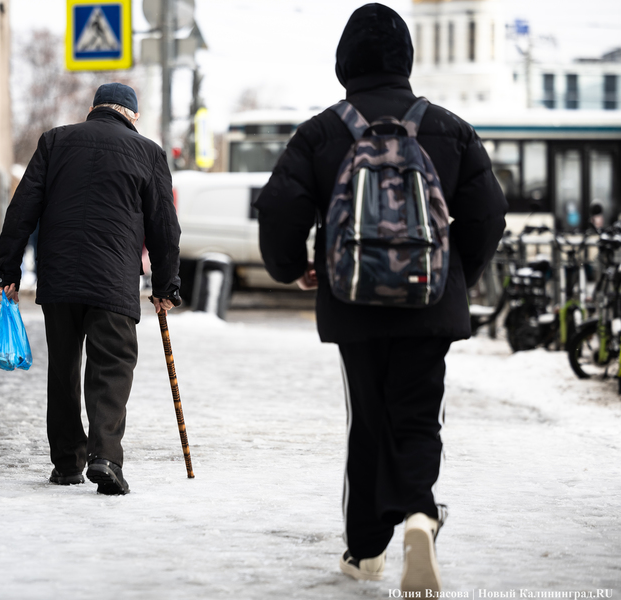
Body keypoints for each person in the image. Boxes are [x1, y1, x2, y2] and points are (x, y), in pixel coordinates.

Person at [253, 4, 507, 593]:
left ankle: (366, 554)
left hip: (354, 301)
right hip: (429, 302)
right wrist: (452, 274)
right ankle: (419, 513)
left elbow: (279, 206)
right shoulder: (449, 128)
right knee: (419, 415)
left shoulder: (324, 130)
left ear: (346, 62)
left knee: (367, 421)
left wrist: (296, 268)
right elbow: (489, 214)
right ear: (407, 59)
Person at [0, 83, 181, 495]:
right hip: (113, 279)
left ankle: (66, 464)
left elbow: (22, 207)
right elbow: (164, 226)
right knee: (111, 365)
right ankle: (106, 458)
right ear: (132, 115)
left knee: (63, 368)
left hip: (59, 277)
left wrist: (8, 268)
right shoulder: (148, 153)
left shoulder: (55, 141)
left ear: (94, 108)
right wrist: (166, 284)